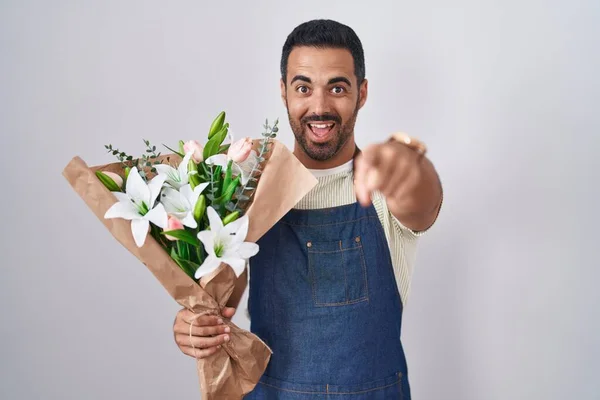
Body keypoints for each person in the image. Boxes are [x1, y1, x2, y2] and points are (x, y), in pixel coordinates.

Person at [173, 19, 443, 399]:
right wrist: (194, 327)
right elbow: (220, 310)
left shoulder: (384, 187)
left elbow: (423, 198)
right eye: (303, 87)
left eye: (337, 87)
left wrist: (408, 161)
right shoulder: (249, 192)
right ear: (283, 92)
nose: (319, 107)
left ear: (361, 93)